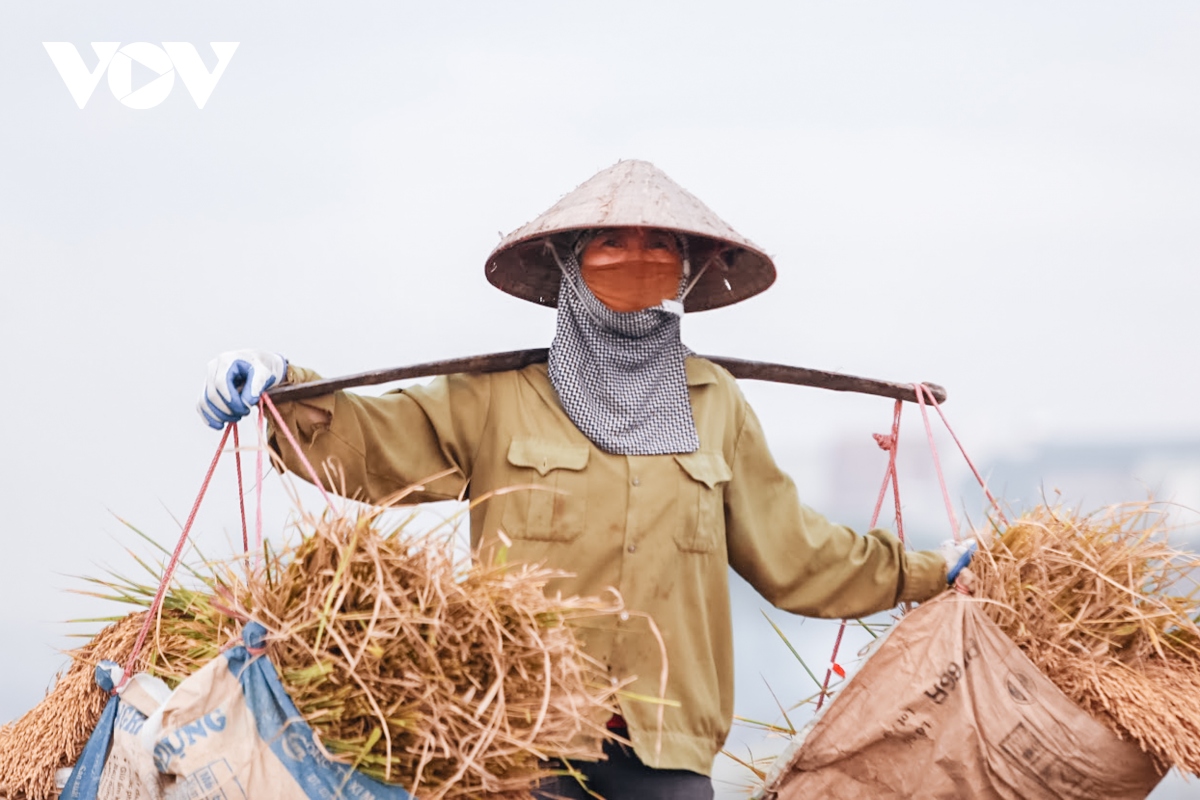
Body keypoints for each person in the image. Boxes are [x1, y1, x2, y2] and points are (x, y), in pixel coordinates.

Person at [197, 160, 972, 799]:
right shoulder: (498, 399)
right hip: (525, 748)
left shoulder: (714, 406)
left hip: (669, 755)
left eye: (658, 242)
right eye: (610, 240)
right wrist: (281, 391)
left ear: (686, 268)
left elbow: (799, 554)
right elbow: (371, 444)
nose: (636, 256)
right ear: (569, 262)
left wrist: (930, 572)